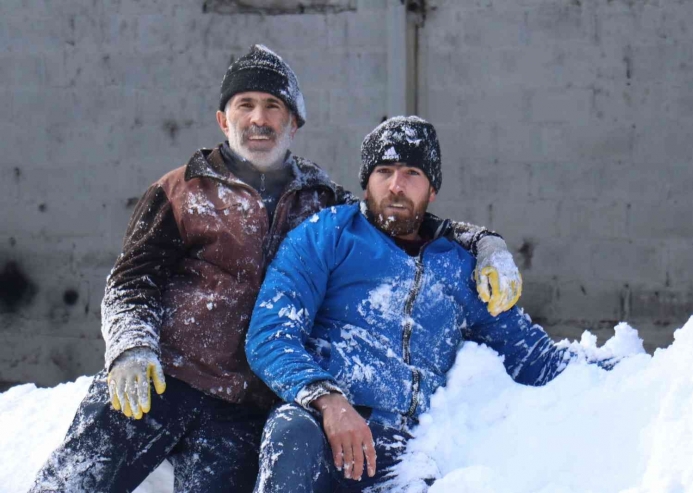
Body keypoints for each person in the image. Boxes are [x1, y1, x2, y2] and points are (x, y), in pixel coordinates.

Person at [29, 47, 521, 493]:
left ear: (293, 124)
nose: (259, 119)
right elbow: (131, 281)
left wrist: (484, 244)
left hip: (243, 412)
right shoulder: (182, 190)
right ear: (224, 119)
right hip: (162, 384)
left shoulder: (320, 200)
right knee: (72, 484)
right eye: (245, 105)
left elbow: (396, 218)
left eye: (273, 107)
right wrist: (131, 347)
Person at [246, 116, 617, 492]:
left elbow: (532, 357)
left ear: (432, 189)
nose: (396, 186)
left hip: (397, 449)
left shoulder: (459, 268)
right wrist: (327, 399)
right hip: (318, 423)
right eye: (384, 171)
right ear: (366, 182)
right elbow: (269, 336)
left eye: (411, 173)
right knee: (289, 432)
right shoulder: (326, 235)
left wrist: (643, 370)